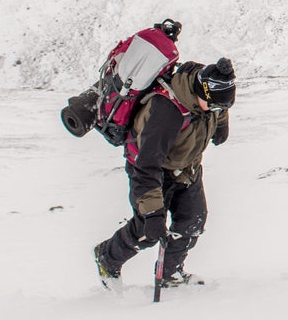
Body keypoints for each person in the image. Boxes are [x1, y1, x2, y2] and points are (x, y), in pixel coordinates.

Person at [94, 56, 236, 288]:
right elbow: (145, 165)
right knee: (147, 230)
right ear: (201, 94)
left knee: (192, 221)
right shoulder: (167, 112)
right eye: (215, 106)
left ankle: (171, 274)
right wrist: (153, 213)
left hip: (186, 168)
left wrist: (220, 123)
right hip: (152, 170)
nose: (216, 110)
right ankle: (107, 257)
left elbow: (217, 106)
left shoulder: (209, 95)